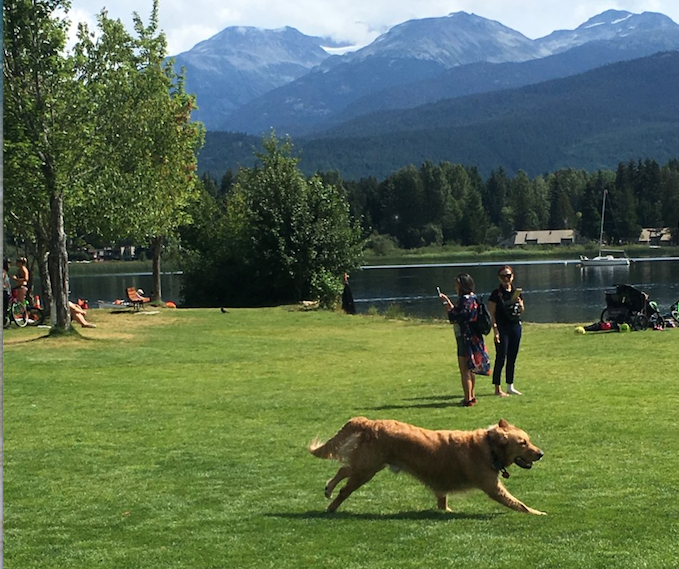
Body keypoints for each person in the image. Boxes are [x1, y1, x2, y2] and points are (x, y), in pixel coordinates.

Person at [439, 273, 491, 407]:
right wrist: (450, 303)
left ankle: (467, 399)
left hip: (465, 338)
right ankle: (472, 396)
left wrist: (445, 303)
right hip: (475, 336)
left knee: (465, 370)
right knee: (471, 368)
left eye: (457, 284)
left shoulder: (464, 300)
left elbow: (454, 317)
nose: (455, 286)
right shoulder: (474, 298)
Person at [488, 265, 524, 396]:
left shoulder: (516, 292)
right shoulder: (495, 294)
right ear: (499, 278)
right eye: (503, 276)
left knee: (512, 357)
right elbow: (491, 313)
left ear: (512, 276)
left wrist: (520, 305)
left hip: (515, 326)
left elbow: (521, 311)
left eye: (508, 276)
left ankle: (510, 386)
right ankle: (497, 389)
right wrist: (495, 330)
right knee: (501, 357)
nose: (506, 278)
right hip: (502, 327)